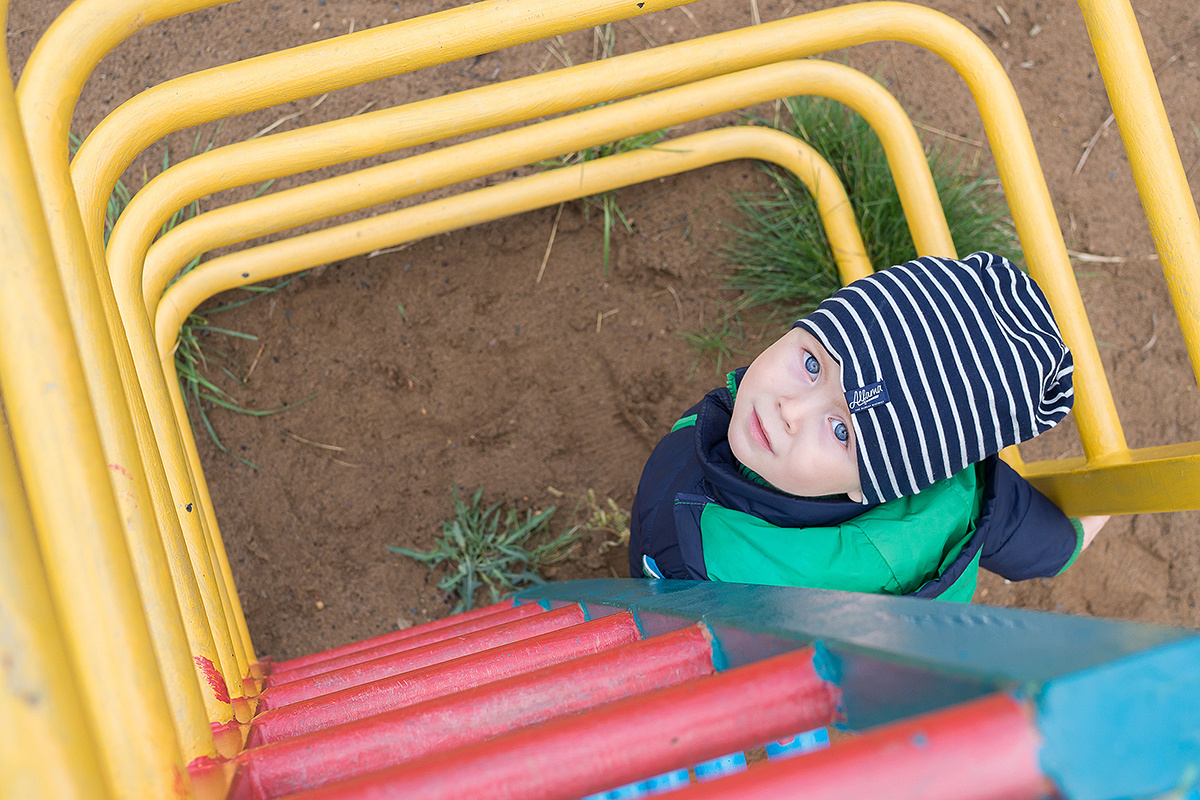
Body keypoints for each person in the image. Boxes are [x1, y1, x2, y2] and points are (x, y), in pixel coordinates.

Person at [629, 251, 1108, 602]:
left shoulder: (721, 568)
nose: (790, 411)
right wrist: (1073, 540)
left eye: (841, 431)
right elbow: (1023, 530)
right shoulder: (958, 478)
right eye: (814, 364)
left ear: (869, 489)